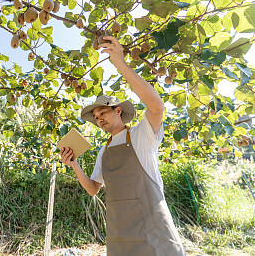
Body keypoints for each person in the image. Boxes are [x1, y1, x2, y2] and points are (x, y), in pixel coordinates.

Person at [59, 36, 186, 255]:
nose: (99, 119)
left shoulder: (141, 135)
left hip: (153, 228)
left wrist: (120, 64)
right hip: (120, 233)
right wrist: (74, 165)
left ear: (118, 111)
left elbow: (156, 106)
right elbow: (92, 189)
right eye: (96, 116)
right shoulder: (104, 151)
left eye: (103, 112)